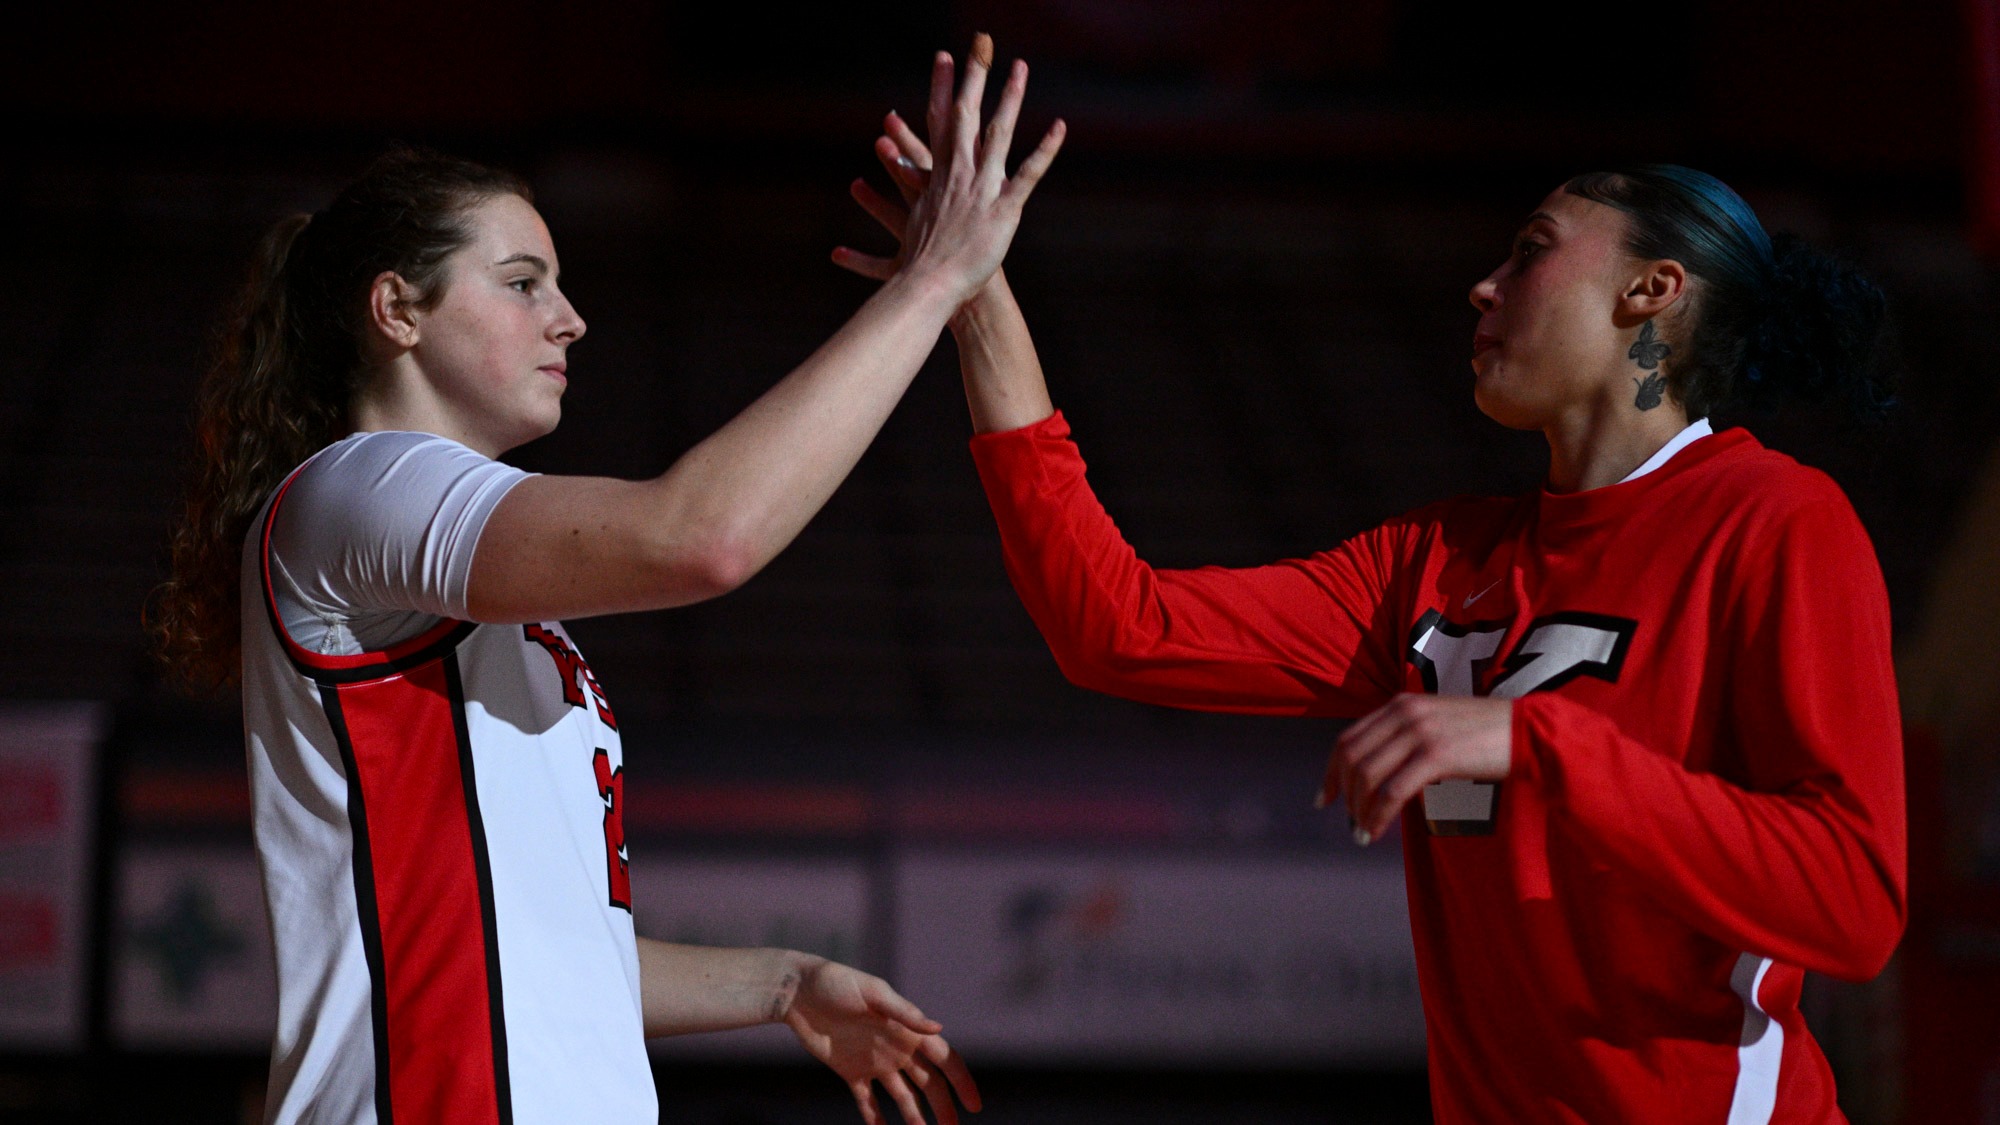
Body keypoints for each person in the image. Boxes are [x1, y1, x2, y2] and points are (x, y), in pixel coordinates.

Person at [840, 132, 1904, 1122]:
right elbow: (1115, 626)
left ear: (1650, 289)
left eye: (1530, 250)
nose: (1481, 285)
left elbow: (1852, 902)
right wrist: (972, 297)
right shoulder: (1437, 559)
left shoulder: (1774, 521)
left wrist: (1539, 744)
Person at [147, 37, 1062, 1125]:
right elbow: (702, 536)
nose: (568, 317)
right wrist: (931, 282)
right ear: (395, 309)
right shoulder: (356, 489)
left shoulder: (456, 581)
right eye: (522, 283)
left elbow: (542, 948)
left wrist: (778, 983)